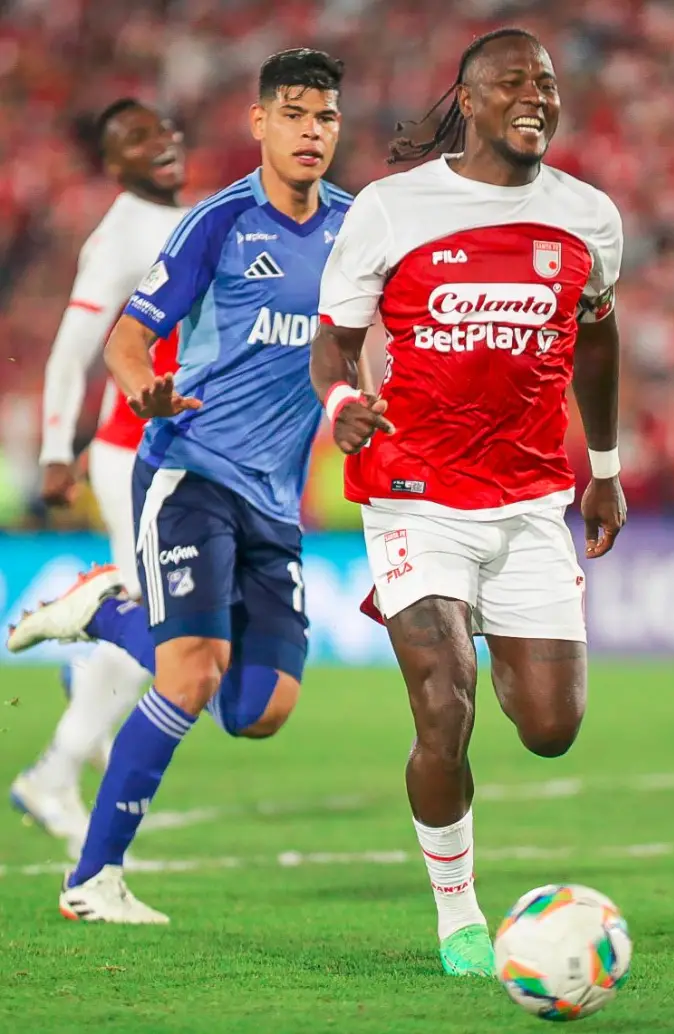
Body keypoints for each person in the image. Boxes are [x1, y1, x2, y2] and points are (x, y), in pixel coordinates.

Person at [8, 47, 361, 924]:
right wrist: (143, 392)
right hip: (191, 471)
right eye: (293, 114)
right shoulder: (217, 223)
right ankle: (94, 879)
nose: (309, 131)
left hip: (276, 502)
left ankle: (110, 611)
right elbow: (128, 339)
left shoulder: (358, 228)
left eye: (324, 117)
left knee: (261, 709)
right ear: (260, 124)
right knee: (189, 678)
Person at [311, 27, 626, 976]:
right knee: (442, 709)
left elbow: (600, 340)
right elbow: (335, 338)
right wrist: (342, 403)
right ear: (469, 99)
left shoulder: (588, 216)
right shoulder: (393, 208)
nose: (537, 96)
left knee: (551, 729)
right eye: (514, 83)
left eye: (548, 83)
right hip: (413, 492)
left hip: (530, 499)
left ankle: (487, 641)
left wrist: (603, 467)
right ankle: (458, 915)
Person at [12, 100, 188, 852]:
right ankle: (51, 775)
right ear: (111, 164)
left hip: (182, 448)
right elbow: (67, 350)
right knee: (157, 616)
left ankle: (91, 674)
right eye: (137, 139)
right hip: (131, 450)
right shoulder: (118, 236)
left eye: (164, 130)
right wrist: (56, 453)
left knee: (168, 619)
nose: (162, 144)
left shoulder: (197, 214)